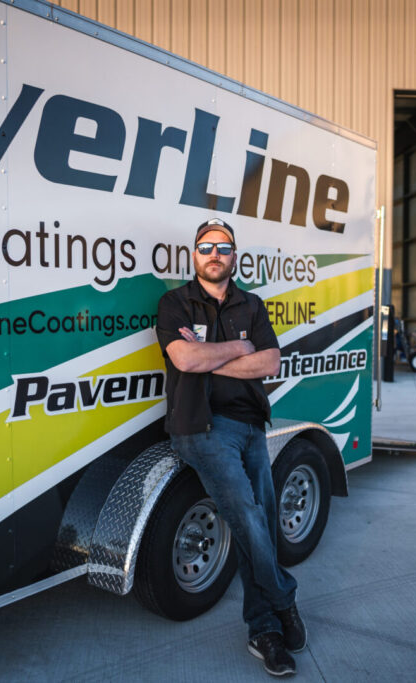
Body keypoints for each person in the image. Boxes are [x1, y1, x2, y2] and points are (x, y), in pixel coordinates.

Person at [155, 217, 306, 677]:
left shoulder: (251, 304)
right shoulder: (174, 304)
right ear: (194, 255)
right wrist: (240, 349)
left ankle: (264, 631)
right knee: (247, 513)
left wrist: (209, 359)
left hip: (251, 425)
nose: (214, 254)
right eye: (205, 247)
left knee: (258, 521)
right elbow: (183, 358)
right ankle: (282, 598)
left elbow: (271, 362)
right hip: (200, 427)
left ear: (234, 255)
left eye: (222, 247)